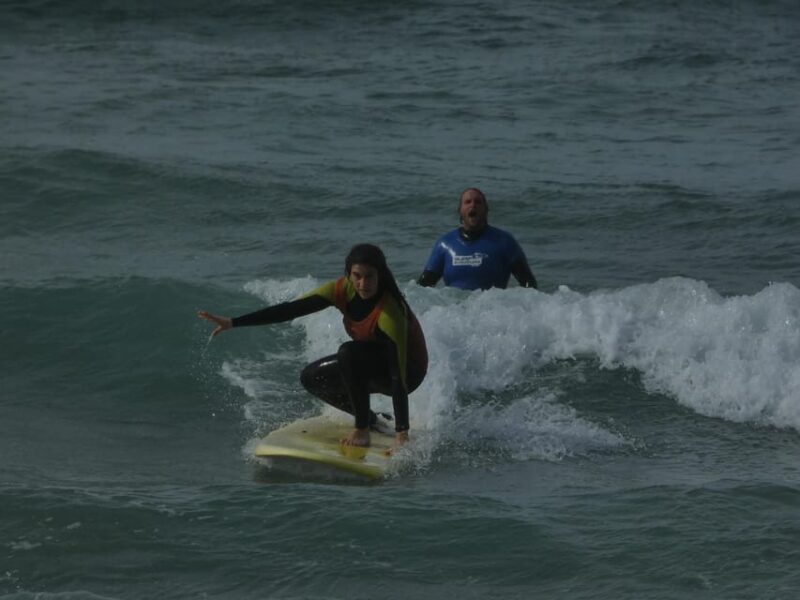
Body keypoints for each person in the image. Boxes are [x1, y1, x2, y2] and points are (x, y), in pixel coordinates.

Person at [198, 244, 427, 449]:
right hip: (370, 362)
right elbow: (290, 310)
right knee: (311, 378)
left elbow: (399, 378)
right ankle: (371, 420)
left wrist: (402, 433)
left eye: (370, 277)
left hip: (408, 372)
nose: (363, 283)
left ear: (381, 276)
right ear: (348, 274)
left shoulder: (390, 313)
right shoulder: (341, 290)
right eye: (357, 276)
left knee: (349, 352)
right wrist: (233, 322)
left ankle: (362, 429)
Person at [418, 187, 538, 290]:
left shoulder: (504, 242)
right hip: (455, 314)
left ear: (486, 209)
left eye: (478, 202)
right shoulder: (444, 244)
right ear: (460, 210)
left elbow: (528, 283)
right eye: (468, 202)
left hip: (491, 314)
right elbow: (423, 286)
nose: (473, 205)